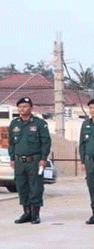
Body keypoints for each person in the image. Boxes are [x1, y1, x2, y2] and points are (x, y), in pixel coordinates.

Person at [8, 96, 51, 224]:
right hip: (19, 162)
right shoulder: (14, 124)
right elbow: (11, 143)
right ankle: (26, 213)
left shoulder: (39, 123)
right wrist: (12, 158)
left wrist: (43, 158)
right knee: (22, 187)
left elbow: (46, 142)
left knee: (35, 188)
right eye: (20, 107)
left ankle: (35, 214)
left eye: (25, 106)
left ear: (31, 108)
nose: (22, 109)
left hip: (34, 161)